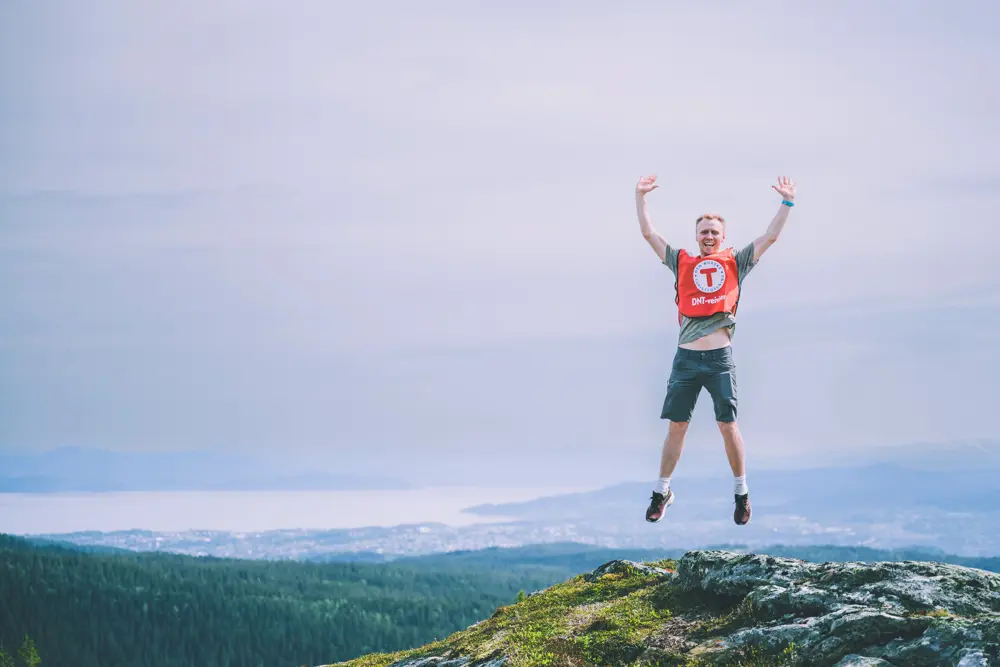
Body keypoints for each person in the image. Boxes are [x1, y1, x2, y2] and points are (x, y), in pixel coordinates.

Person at [635, 174, 796, 525]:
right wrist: (640, 197)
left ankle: (742, 494)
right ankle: (661, 492)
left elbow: (770, 237)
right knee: (677, 426)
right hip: (687, 358)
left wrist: (786, 202)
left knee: (728, 425)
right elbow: (649, 235)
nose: (708, 236)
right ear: (696, 236)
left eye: (714, 232)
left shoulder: (735, 263)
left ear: (723, 238)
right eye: (703, 231)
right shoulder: (681, 262)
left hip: (720, 358)